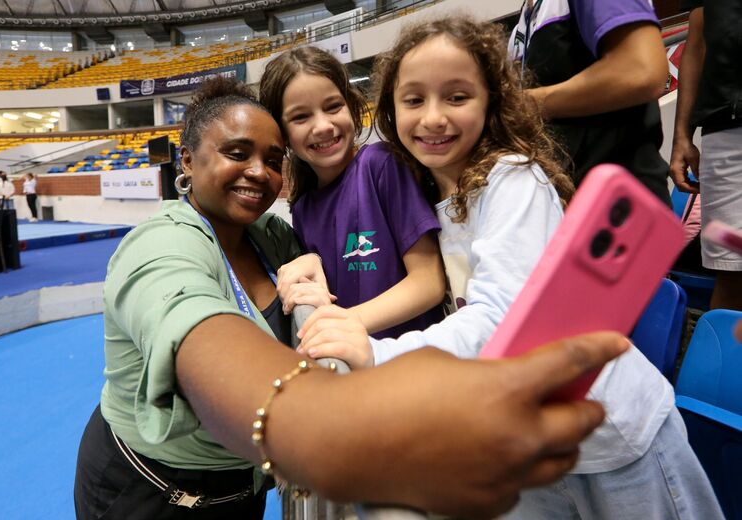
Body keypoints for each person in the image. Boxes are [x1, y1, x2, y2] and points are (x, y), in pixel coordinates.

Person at [72, 75, 629, 520]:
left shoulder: (270, 235)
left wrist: (309, 260)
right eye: (237, 153)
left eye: (272, 159)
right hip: (150, 494)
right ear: (187, 163)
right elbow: (201, 335)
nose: (258, 172)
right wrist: (331, 428)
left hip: (244, 486)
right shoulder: (160, 244)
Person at [297, 17, 723, 520]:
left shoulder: (512, 178)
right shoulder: (429, 197)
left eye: (457, 97)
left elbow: (502, 320)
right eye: (414, 100)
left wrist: (376, 353)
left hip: (616, 437)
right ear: (391, 112)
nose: (433, 118)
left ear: (492, 103)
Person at [259, 46, 446, 340]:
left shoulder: (381, 165)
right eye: (300, 117)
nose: (322, 125)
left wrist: (342, 324)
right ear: (283, 136)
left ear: (352, 107)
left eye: (333, 107)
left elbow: (429, 281)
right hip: (356, 373)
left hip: (415, 366)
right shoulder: (304, 209)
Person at [508, 0, 671, 206]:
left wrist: (520, 105)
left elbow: (639, 70)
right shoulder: (525, 22)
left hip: (616, 205)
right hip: (568, 204)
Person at [669, 1, 742, 311]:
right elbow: (696, 43)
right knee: (731, 271)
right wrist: (682, 135)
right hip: (727, 130)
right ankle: (721, 359)